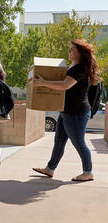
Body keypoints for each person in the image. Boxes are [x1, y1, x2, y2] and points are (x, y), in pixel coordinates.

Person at [31, 38, 102, 181]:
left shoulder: (80, 68)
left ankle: (88, 172)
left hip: (76, 113)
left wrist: (43, 83)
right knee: (59, 141)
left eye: (72, 50)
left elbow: (65, 85)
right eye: (69, 49)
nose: (69, 51)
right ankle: (50, 169)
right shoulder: (72, 66)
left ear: (81, 53)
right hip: (66, 111)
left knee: (79, 143)